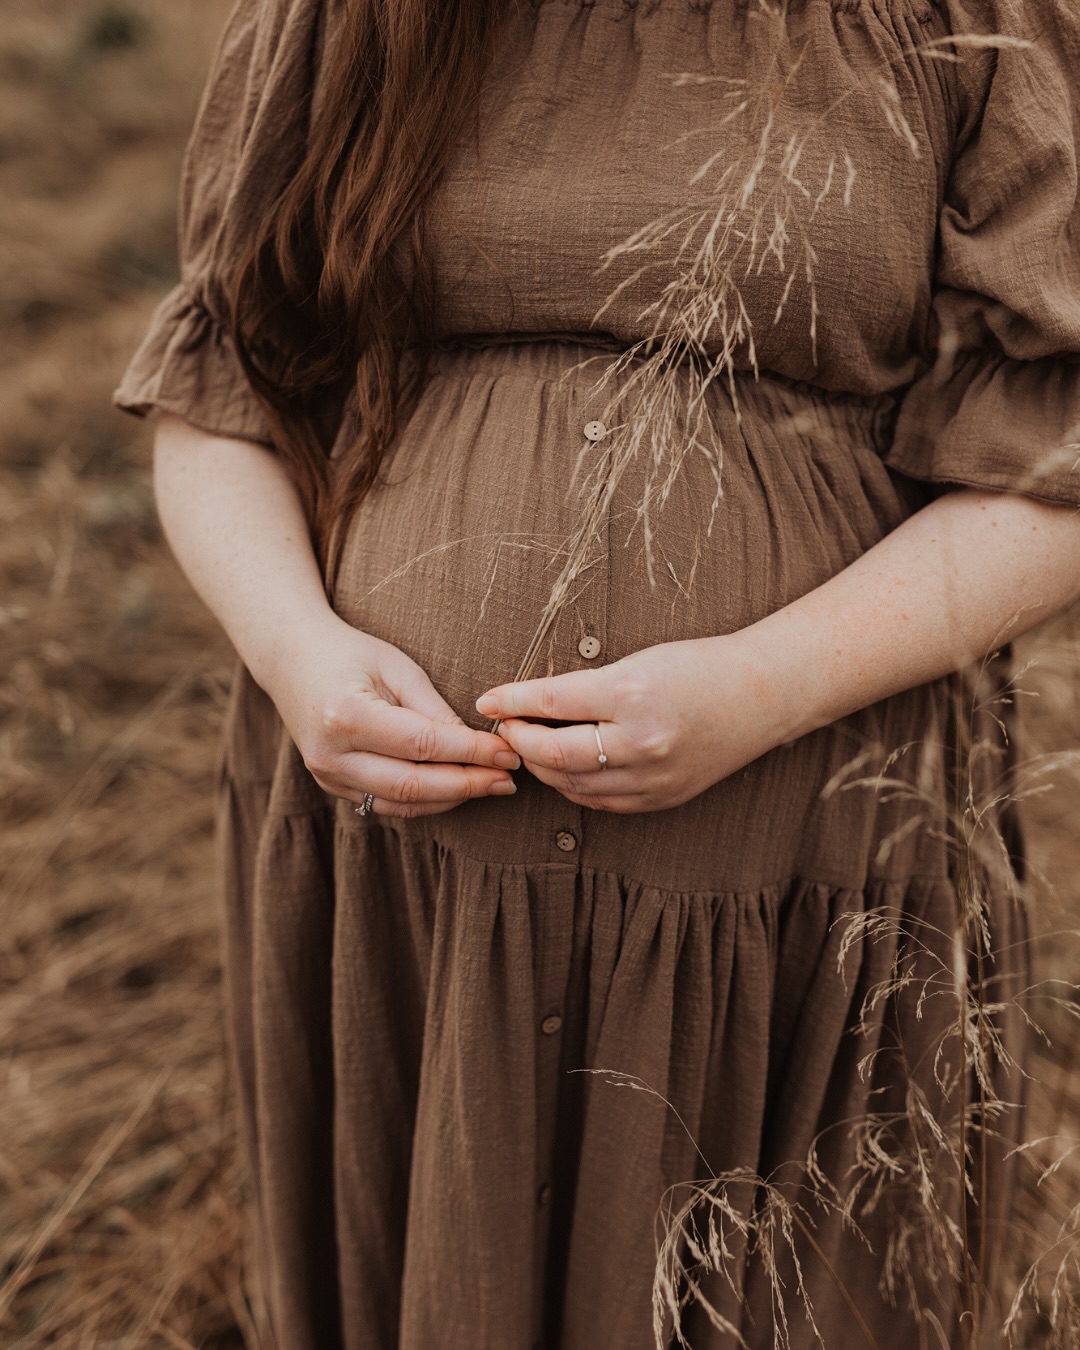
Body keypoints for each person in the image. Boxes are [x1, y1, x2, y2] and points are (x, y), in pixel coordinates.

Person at [115, 0, 1080, 1345]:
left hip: (802, 864)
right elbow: (221, 394)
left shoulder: (962, 22)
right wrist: (297, 652)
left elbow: (1058, 461)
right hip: (412, 893)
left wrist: (766, 685)